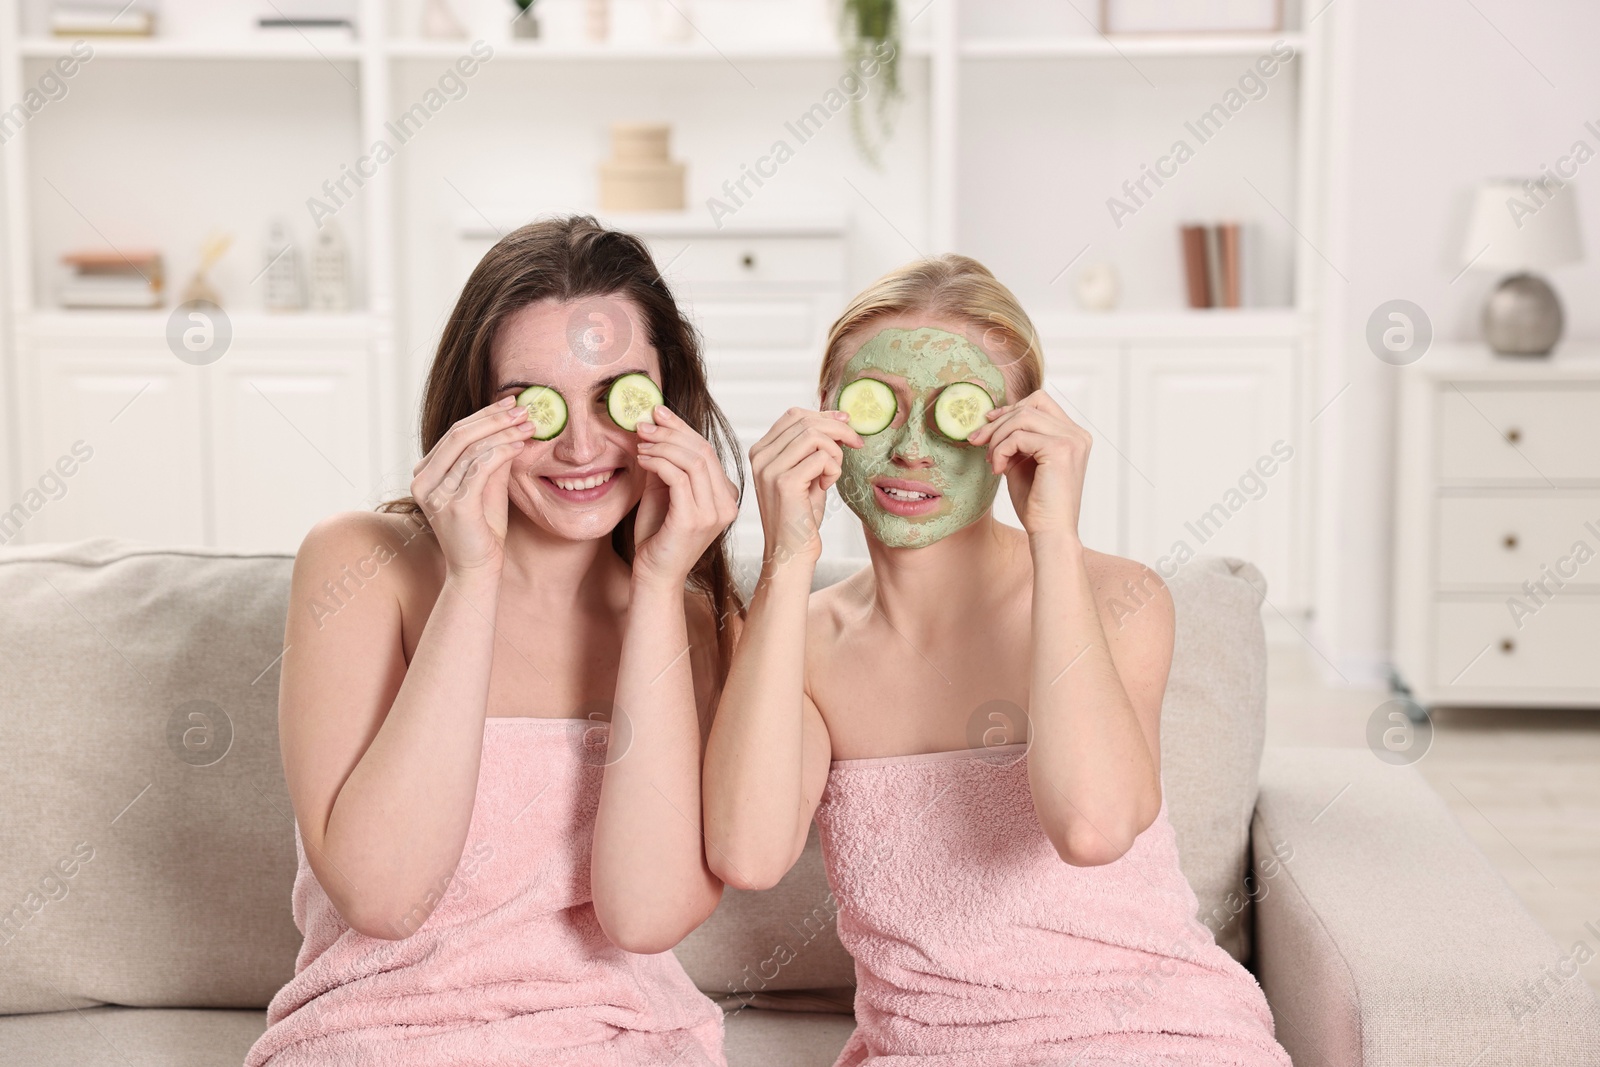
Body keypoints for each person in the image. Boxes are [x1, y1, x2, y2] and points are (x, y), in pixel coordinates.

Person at [702, 254, 1293, 1066]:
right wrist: (784, 559)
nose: (912, 448)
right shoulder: (796, 637)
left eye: (956, 412)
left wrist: (1054, 532)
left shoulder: (1120, 598)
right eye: (880, 410)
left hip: (1150, 1038)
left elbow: (1091, 825)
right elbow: (748, 849)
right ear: (827, 421)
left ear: (1016, 433)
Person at [247, 215, 742, 1067]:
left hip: (624, 1041)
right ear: (474, 412)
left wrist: (661, 585)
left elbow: (645, 915)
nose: (582, 445)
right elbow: (384, 895)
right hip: (378, 1039)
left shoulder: (696, 622)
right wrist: (472, 577)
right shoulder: (361, 565)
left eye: (617, 396)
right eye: (532, 406)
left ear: (670, 404)